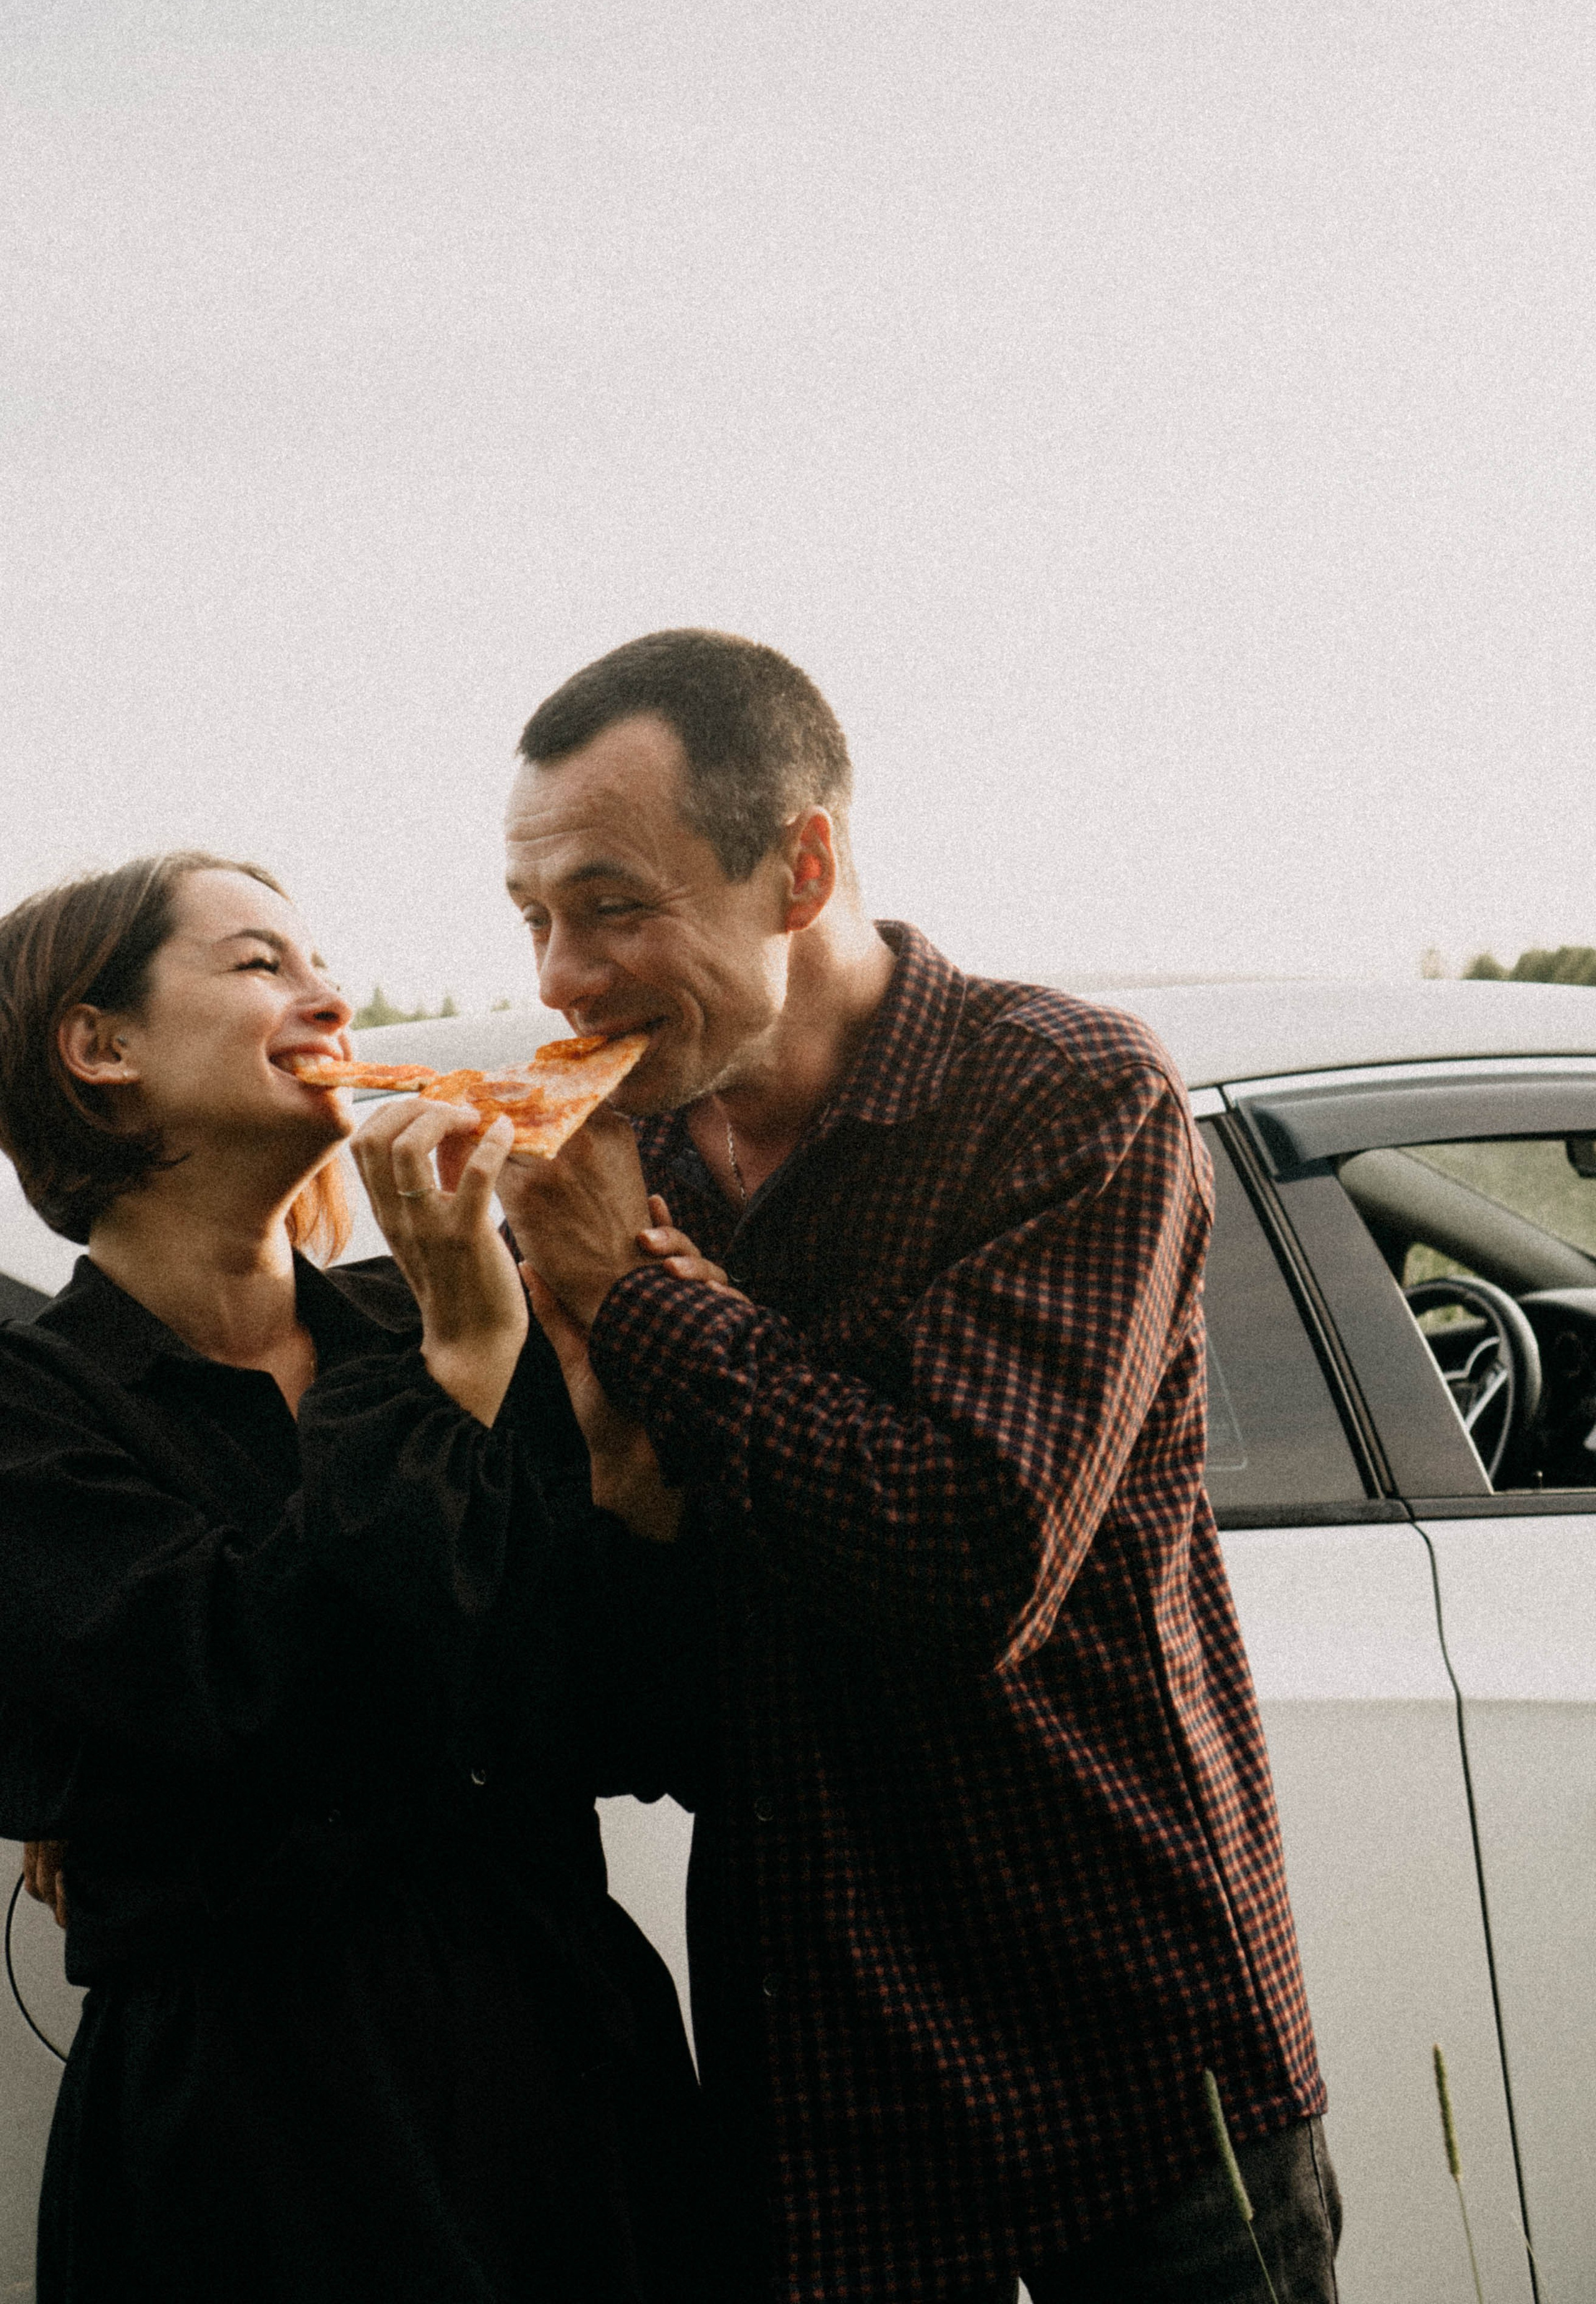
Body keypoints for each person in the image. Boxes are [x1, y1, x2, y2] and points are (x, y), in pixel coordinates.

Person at [484, 629, 1340, 2303]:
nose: (561, 981)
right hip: (823, 2118)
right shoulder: (620, 1165)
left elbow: (962, 1558)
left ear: (798, 866)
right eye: (535, 921)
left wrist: (636, 1298)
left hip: (1129, 2094)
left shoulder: (1068, 1099)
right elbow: (628, 1678)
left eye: (614, 905)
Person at [0, 850, 721, 2304]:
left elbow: (633, 1719)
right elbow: (250, 1688)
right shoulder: (35, 1404)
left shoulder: (429, 1311)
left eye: (319, 959)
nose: (328, 993)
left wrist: (640, 1460)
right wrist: (459, 1369)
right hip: (263, 2134)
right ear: (101, 1046)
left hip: (566, 2077)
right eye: (261, 962)